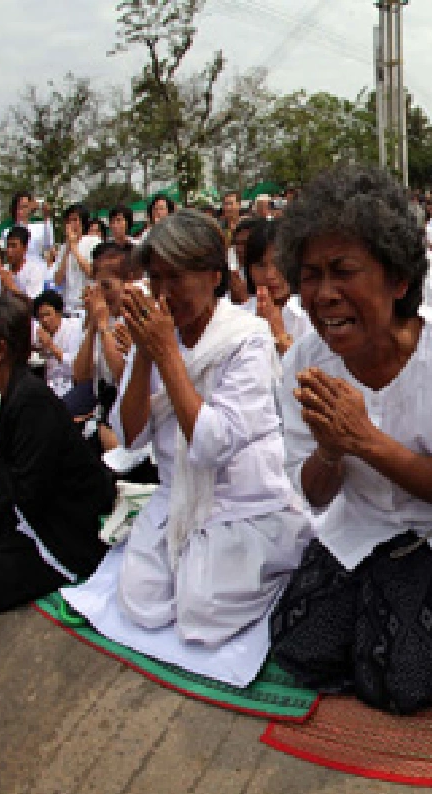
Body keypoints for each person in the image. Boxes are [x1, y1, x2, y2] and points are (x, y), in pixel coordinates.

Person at [269, 164, 432, 715]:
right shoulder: (305, 361)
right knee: (298, 649)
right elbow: (313, 492)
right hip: (362, 526)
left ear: (398, 280)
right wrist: (330, 449)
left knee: (403, 680)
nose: (324, 295)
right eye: (310, 275)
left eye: (343, 272)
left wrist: (366, 440)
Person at [71, 209, 312, 660]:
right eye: (156, 279)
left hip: (241, 499)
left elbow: (212, 445)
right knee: (141, 603)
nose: (163, 294)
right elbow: (131, 436)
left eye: (176, 278)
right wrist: (145, 354)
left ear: (213, 275)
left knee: (202, 615)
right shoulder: (157, 333)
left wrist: (166, 355)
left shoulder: (248, 338)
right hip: (177, 494)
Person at [0, 295, 113, 613]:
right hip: (43, 506)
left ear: (0, 350)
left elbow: (28, 495)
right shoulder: (14, 392)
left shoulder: (30, 399)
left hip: (69, 526)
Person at [69, 242, 133, 418]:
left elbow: (123, 377)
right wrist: (93, 326)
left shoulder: (137, 318)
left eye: (107, 287)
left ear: (127, 282)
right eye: (98, 288)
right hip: (103, 408)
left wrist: (104, 327)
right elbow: (80, 376)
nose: (102, 296)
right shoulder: (102, 315)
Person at [241, 218, 314, 356]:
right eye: (261, 265)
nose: (270, 275)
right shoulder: (239, 317)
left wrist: (280, 336)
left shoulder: (312, 315)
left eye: (278, 263)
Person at [32, 290, 84, 398]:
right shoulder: (39, 331)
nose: (44, 320)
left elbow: (75, 368)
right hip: (49, 385)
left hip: (71, 386)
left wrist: (51, 346)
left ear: (59, 313)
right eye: (40, 316)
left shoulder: (74, 329)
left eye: (47, 314)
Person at [52, 204, 101, 315]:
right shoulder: (63, 248)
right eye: (68, 221)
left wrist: (74, 248)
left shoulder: (93, 241)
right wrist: (68, 248)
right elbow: (57, 280)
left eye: (75, 220)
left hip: (87, 306)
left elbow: (92, 273)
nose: (71, 224)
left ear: (83, 223)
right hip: (68, 306)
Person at [2, 191, 53, 282]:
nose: (23, 210)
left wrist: (46, 215)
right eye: (20, 207)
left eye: (26, 207)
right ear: (15, 209)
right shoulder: (7, 232)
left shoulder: (39, 227)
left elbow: (48, 245)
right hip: (19, 275)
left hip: (39, 273)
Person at [0, 226, 46, 299]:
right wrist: (3, 287)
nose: (9, 251)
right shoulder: (3, 271)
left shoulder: (34, 270)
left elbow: (34, 302)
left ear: (24, 248)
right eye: (8, 246)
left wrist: (12, 287)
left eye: (13, 246)